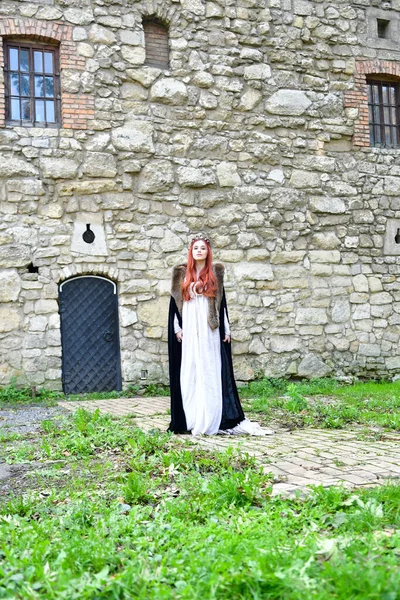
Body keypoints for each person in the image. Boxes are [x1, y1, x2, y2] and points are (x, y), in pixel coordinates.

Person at [168, 234, 273, 436]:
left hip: (209, 329)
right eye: (196, 248)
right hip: (190, 327)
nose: (199, 250)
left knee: (209, 367)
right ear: (191, 251)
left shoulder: (214, 274)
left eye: (203, 248)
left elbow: (220, 305)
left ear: (208, 252)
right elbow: (175, 305)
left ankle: (212, 415)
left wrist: (226, 328)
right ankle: (192, 418)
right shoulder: (182, 274)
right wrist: (177, 328)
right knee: (191, 370)